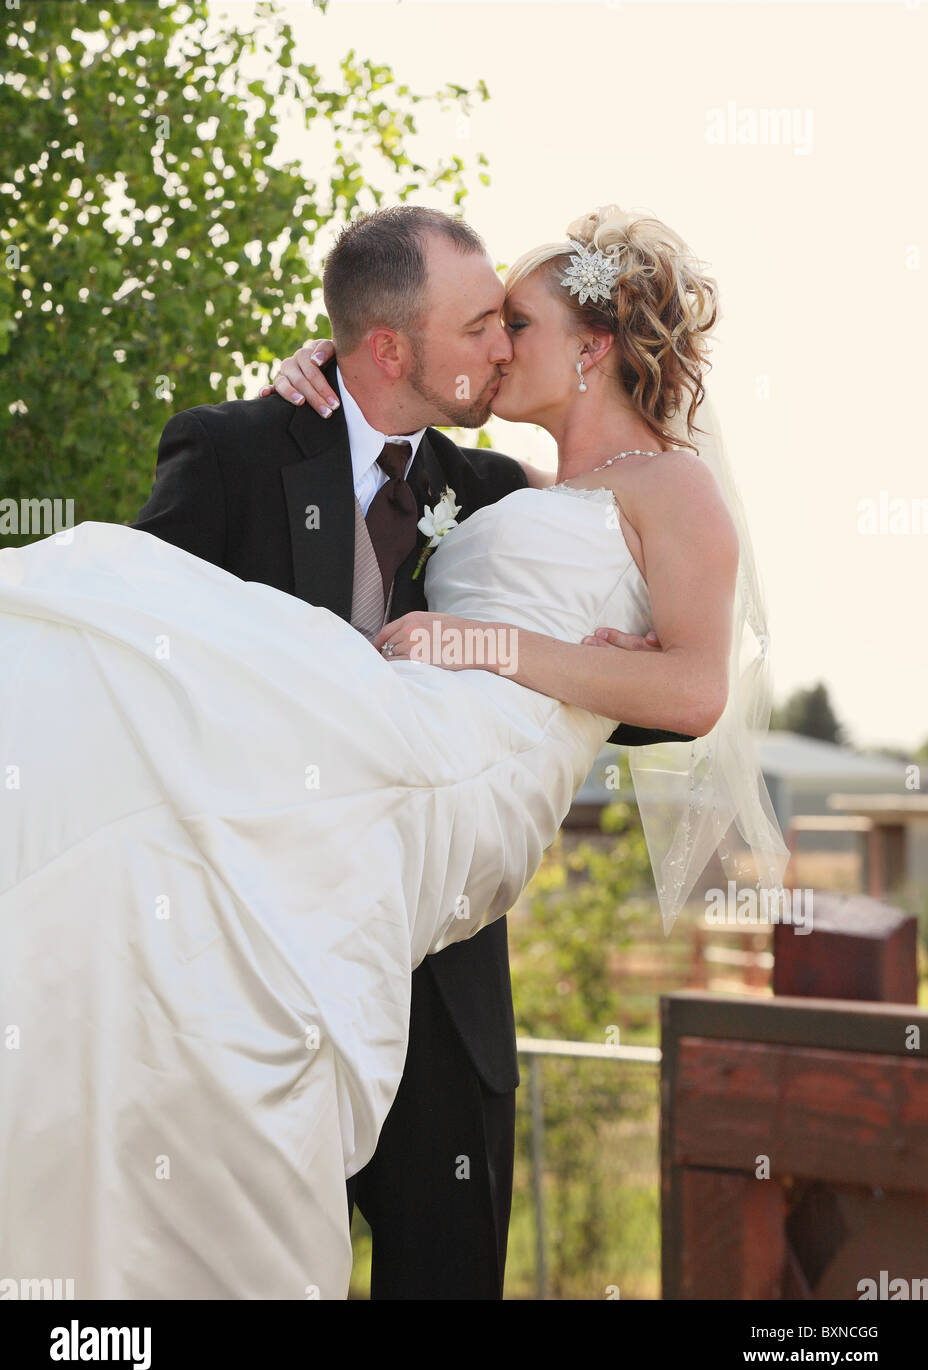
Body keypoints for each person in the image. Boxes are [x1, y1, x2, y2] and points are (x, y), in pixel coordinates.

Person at [0, 204, 781, 1301]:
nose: (501, 344)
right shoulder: (301, 451)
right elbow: (167, 645)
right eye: (485, 322)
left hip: (444, 888)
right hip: (294, 850)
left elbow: (687, 691)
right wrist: (316, 369)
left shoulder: (587, 487)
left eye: (516, 320)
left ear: (592, 346)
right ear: (384, 346)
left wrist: (499, 642)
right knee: (117, 639)